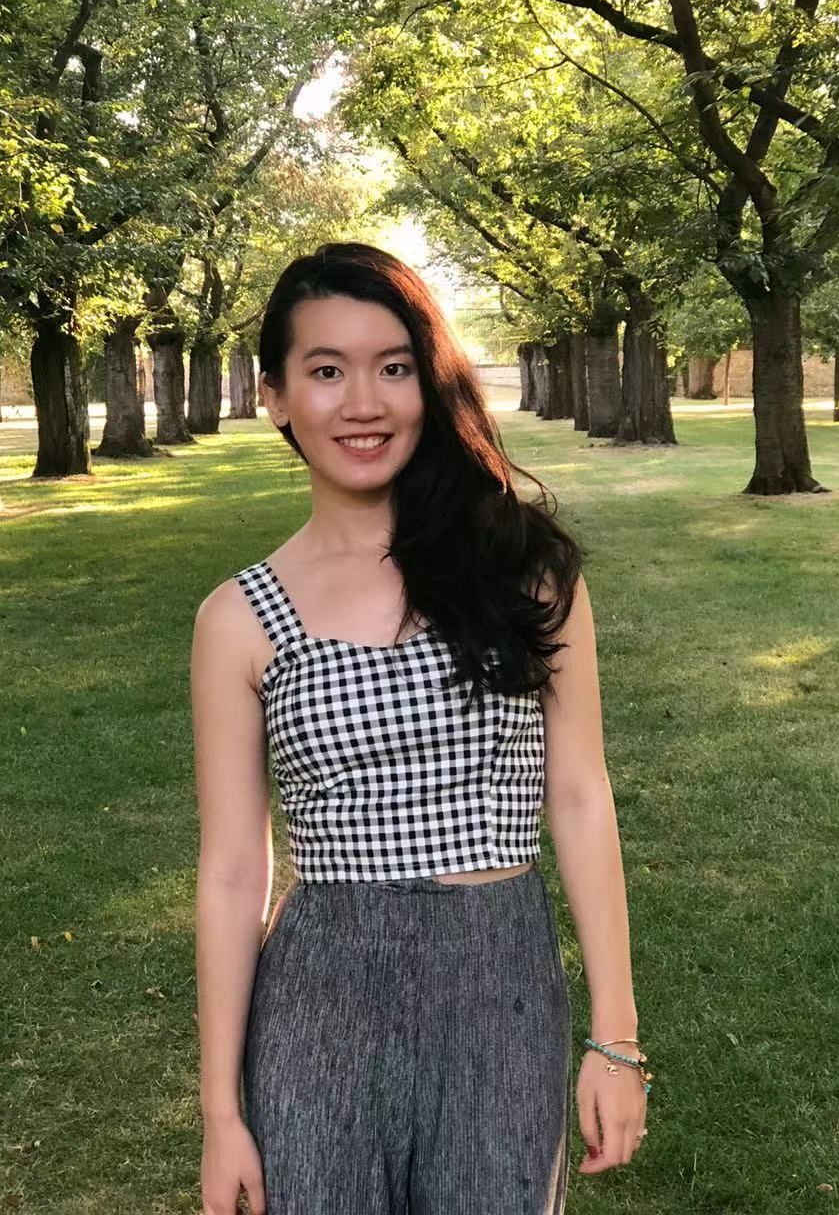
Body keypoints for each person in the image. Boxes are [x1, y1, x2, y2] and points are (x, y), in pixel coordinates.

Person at [191, 243, 649, 1215]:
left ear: (428, 382)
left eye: (393, 367)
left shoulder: (525, 574)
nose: (364, 403)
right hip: (321, 1002)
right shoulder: (238, 619)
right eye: (327, 371)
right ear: (275, 397)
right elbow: (233, 870)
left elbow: (579, 795)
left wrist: (616, 1038)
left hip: (500, 986)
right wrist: (221, 1113)